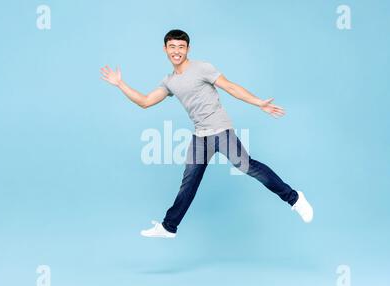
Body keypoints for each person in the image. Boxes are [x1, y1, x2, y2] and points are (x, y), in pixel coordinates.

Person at [100, 29, 313, 239]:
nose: (177, 51)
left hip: (220, 129)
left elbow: (230, 86)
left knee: (246, 166)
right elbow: (145, 102)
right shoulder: (169, 81)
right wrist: (120, 84)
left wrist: (258, 103)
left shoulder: (202, 68)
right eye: (172, 47)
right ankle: (168, 227)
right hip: (200, 137)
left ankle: (294, 198)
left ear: (188, 49)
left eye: (181, 47)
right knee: (189, 182)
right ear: (165, 49)